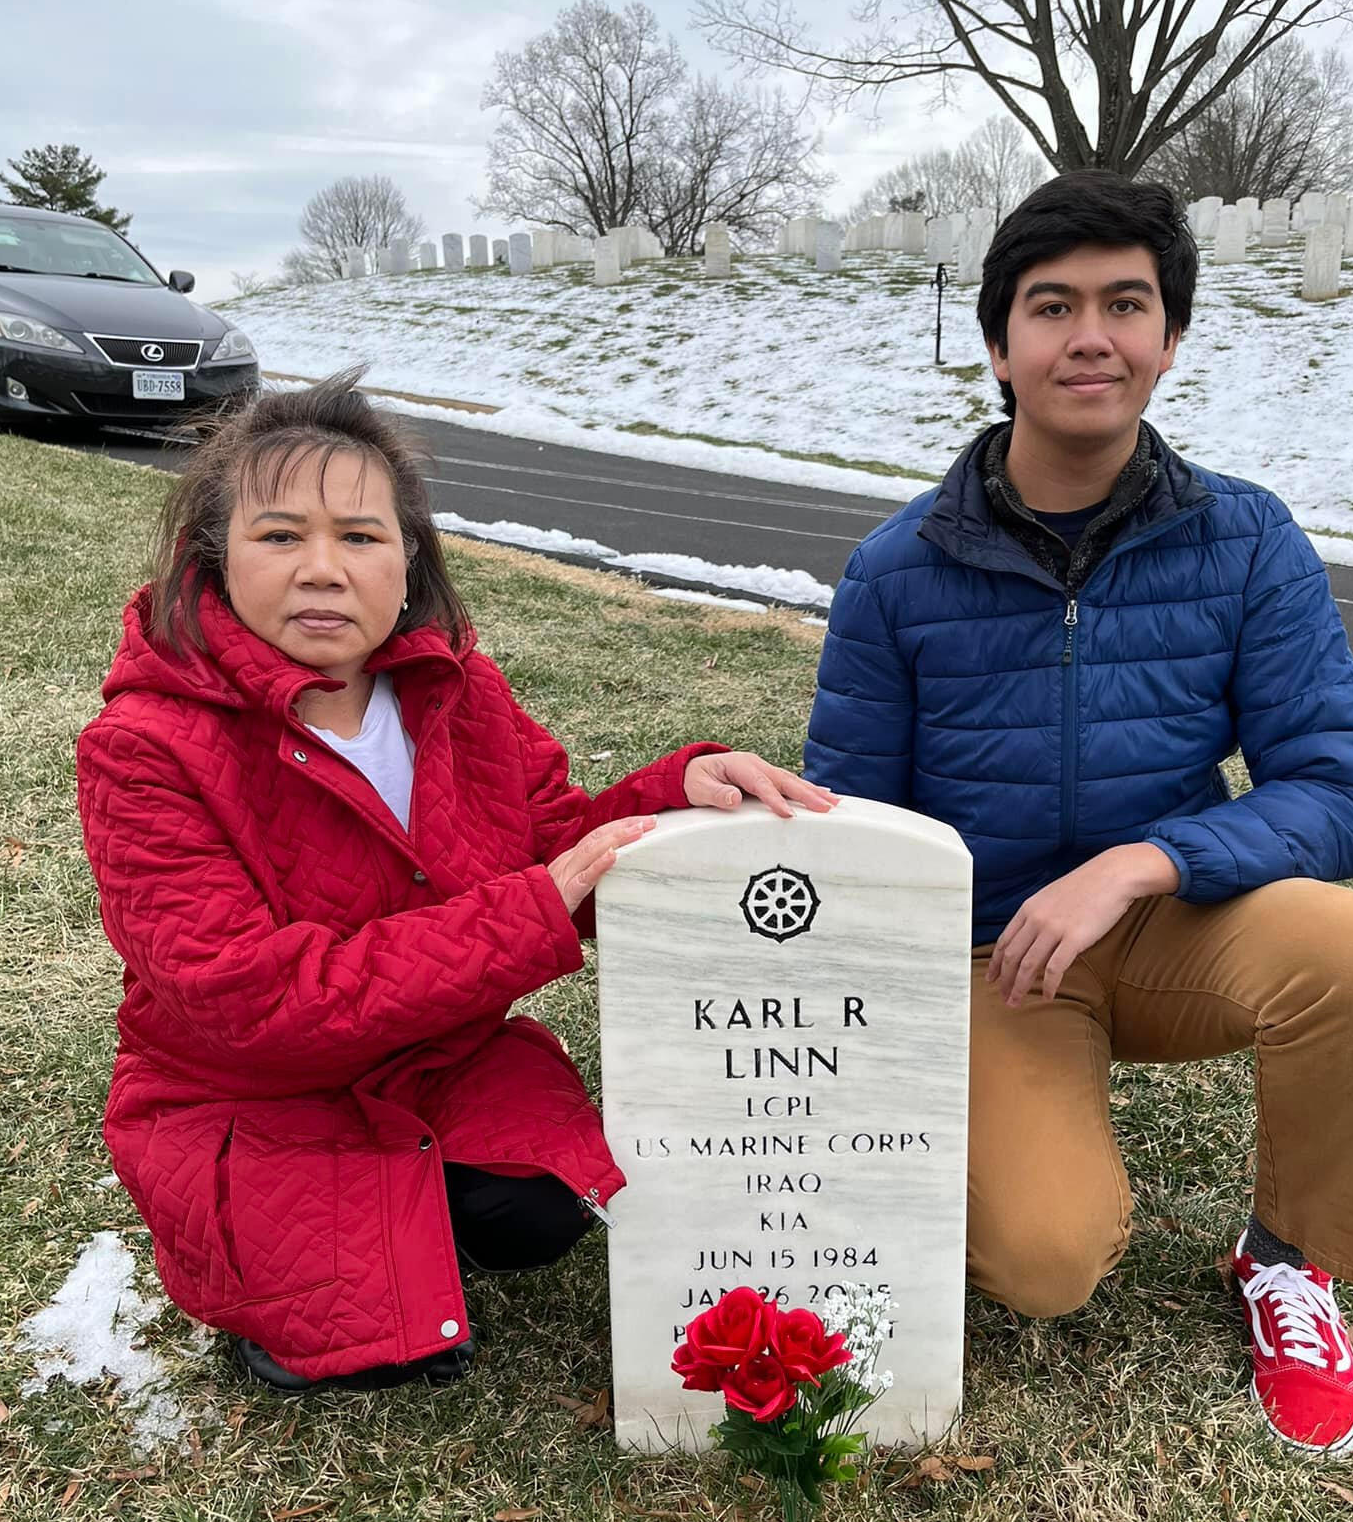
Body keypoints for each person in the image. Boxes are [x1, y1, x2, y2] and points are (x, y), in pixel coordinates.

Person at [804, 172, 1353, 1458]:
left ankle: (1287, 1258)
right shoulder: (896, 568)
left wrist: (1153, 858)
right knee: (1044, 1261)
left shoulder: (1246, 540)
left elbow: (1352, 791)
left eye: (1125, 303)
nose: (1090, 334)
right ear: (998, 345)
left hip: (1172, 922)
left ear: (1169, 339)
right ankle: (987, 1133)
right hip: (996, 958)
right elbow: (853, 825)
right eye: (1052, 305)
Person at [78, 375, 833, 1394]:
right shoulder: (142, 747)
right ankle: (327, 1242)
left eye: (359, 535)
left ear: (409, 558)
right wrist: (528, 909)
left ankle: (415, 1203)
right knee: (371, 1343)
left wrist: (676, 800)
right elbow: (245, 999)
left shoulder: (455, 687)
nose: (323, 570)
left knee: (538, 1209)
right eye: (280, 536)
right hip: (251, 1093)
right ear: (211, 557)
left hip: (439, 1055)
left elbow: (554, 839)